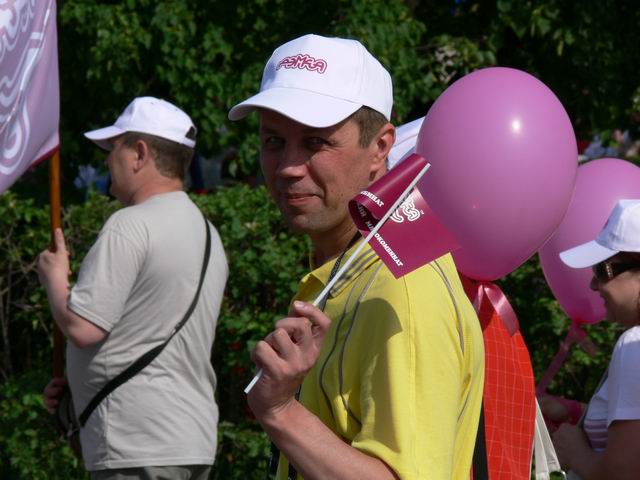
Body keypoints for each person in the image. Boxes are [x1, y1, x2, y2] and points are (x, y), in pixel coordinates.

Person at [228, 34, 484, 479]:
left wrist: (281, 412)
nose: (288, 166)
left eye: (315, 142)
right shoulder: (353, 266)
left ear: (380, 148)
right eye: (273, 140)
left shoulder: (402, 290)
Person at [38, 97, 228, 479]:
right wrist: (80, 389)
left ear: (139, 154)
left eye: (114, 148)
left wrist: (54, 279)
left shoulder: (129, 224)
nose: (108, 161)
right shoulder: (208, 233)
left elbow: (83, 328)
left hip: (135, 443)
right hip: (191, 440)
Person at [545, 199, 640, 479]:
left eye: (602, 269)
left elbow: (624, 473)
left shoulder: (633, 345)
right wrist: (577, 412)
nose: (593, 284)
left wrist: (575, 452)